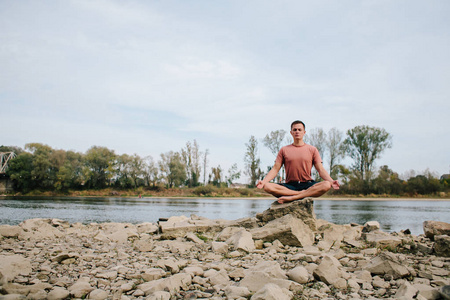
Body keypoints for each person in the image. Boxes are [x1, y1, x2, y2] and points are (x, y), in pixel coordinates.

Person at [257, 120, 340, 204]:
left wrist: (331, 181)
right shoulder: (284, 150)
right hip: (289, 186)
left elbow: (321, 170)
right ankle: (300, 194)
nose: (297, 132)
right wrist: (263, 181)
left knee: (326, 184)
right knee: (267, 186)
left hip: (307, 185)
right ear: (291, 132)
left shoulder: (312, 149)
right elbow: (275, 169)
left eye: (299, 130)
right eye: (295, 130)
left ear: (304, 132)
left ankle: (292, 197)